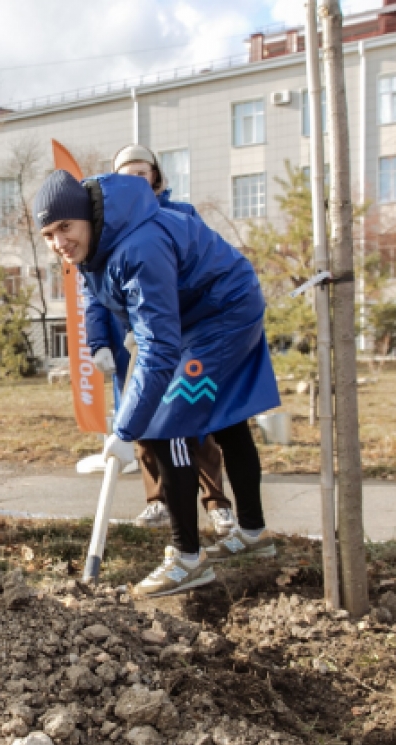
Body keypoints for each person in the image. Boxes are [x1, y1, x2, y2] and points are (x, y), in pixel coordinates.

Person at [36, 170, 280, 598]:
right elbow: (109, 291)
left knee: (168, 420)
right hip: (198, 311)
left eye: (65, 228)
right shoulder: (98, 244)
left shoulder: (138, 243)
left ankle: (187, 560)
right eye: (48, 234)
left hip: (224, 309)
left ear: (86, 219)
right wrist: (126, 326)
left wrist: (126, 430)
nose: (59, 242)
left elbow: (161, 349)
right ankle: (254, 534)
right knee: (224, 419)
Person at [87, 144, 237, 538]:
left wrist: (156, 319)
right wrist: (98, 341)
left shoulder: (179, 214)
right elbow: (92, 289)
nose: (136, 180)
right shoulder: (107, 224)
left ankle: (216, 501)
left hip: (179, 337)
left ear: (155, 176)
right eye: (127, 174)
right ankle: (158, 501)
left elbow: (195, 275)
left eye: (142, 172)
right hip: (131, 339)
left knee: (191, 420)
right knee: (141, 422)